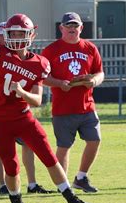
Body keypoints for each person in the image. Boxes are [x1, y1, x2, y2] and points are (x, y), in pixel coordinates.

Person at [0, 13, 92, 203]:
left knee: (49, 157)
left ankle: (71, 198)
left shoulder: (40, 63)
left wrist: (22, 92)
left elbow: (36, 100)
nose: (17, 37)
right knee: (11, 166)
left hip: (23, 116)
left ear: (31, 35)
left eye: (21, 33)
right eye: (13, 33)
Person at [42, 12, 104, 193]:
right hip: (63, 108)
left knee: (94, 140)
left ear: (81, 28)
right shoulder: (51, 50)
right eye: (68, 26)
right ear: (61, 28)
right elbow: (42, 76)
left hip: (87, 105)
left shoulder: (90, 48)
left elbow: (100, 72)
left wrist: (94, 81)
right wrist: (59, 83)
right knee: (64, 146)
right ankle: (63, 186)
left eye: (75, 26)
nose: (72, 29)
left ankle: (81, 177)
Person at [0, 22, 52, 195]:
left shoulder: (16, 55)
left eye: (17, 34)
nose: (7, 38)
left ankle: (31, 183)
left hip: (19, 108)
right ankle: (3, 185)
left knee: (28, 145)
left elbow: (35, 76)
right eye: (3, 35)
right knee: (2, 151)